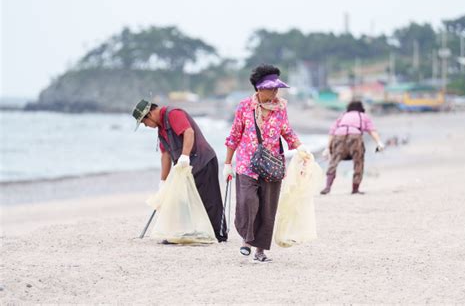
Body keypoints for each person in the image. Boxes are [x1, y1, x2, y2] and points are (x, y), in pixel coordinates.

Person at [223, 64, 311, 262]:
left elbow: (287, 131)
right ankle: (246, 239)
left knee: (268, 207)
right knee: (248, 201)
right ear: (259, 88)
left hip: (272, 165)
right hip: (246, 162)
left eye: (277, 88)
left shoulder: (280, 108)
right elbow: (235, 135)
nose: (275, 92)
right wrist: (227, 163)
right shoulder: (245, 106)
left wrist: (300, 147)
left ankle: (260, 251)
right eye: (271, 88)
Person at [132, 100, 227, 242]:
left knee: (208, 198)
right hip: (185, 166)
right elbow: (165, 155)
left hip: (203, 160)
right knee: (181, 199)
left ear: (150, 114)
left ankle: (218, 234)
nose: (146, 125)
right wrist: (163, 181)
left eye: (144, 122)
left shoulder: (173, 114)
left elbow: (188, 132)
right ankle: (184, 231)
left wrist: (184, 156)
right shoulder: (161, 130)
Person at [320, 100, 384, 195]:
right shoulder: (363, 116)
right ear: (361, 108)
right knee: (358, 162)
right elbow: (372, 131)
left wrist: (327, 148)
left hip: (339, 136)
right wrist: (379, 142)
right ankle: (355, 189)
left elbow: (332, 132)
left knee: (333, 162)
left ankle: (327, 186)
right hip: (355, 137)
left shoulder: (343, 116)